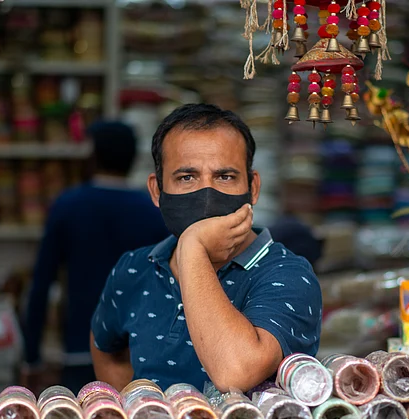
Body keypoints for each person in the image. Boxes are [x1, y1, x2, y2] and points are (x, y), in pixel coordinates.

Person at [90, 104, 323, 392]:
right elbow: (104, 343)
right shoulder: (134, 268)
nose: (206, 196)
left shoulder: (289, 274)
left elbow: (234, 373)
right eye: (186, 178)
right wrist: (134, 410)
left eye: (225, 177)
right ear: (156, 190)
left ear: (253, 188)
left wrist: (193, 247)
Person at [22, 121, 169, 394]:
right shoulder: (153, 212)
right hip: (138, 353)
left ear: (92, 156)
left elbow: (41, 284)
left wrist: (32, 356)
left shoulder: (68, 206)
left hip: (80, 347)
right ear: (133, 158)